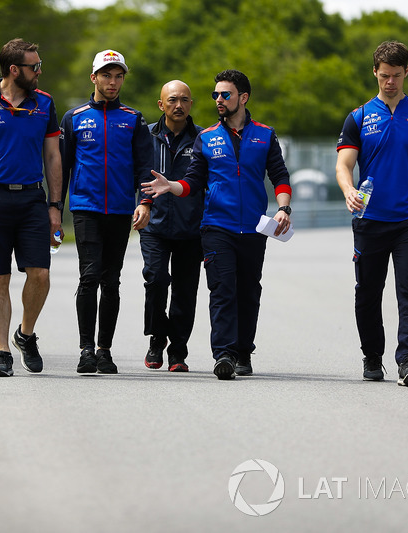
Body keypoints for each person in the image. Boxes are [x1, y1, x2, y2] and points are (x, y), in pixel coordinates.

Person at [141, 69, 292, 380]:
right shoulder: (206, 138)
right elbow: (193, 182)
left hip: (253, 229)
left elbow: (279, 176)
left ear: (243, 98)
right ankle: (223, 353)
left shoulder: (265, 135)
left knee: (248, 291)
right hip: (216, 228)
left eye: (225, 94)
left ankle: (243, 353)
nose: (219, 100)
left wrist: (283, 208)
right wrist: (172, 186)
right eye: (215, 95)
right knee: (222, 290)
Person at [335, 40, 408, 387]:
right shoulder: (360, 116)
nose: (390, 83)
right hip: (370, 221)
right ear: (375, 72)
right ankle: (372, 356)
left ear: (406, 72)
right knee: (367, 292)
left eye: (396, 76)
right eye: (384, 76)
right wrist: (349, 189)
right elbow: (343, 164)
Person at [0, 38, 64, 377]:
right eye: (34, 67)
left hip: (32, 199)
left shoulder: (45, 103)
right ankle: (2, 352)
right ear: (14, 69)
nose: (39, 72)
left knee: (40, 274)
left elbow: (52, 157)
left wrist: (55, 206)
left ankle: (26, 334)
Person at [59, 49, 154, 374]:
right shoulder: (74, 118)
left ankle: (105, 350)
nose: (112, 82)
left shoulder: (133, 119)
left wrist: (144, 202)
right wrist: (55, 209)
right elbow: (62, 167)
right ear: (94, 77)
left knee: (111, 281)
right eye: (106, 75)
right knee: (89, 277)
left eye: (118, 76)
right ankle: (86, 350)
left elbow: (145, 167)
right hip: (85, 208)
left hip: (119, 210)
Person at [141, 80, 204, 372]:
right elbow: (134, 173)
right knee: (155, 280)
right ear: (161, 104)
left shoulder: (203, 138)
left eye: (184, 100)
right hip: (154, 225)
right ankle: (156, 339)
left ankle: (178, 351)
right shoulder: (145, 135)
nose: (178, 105)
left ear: (191, 104)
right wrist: (139, 203)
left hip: (191, 228)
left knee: (185, 290)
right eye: (173, 100)